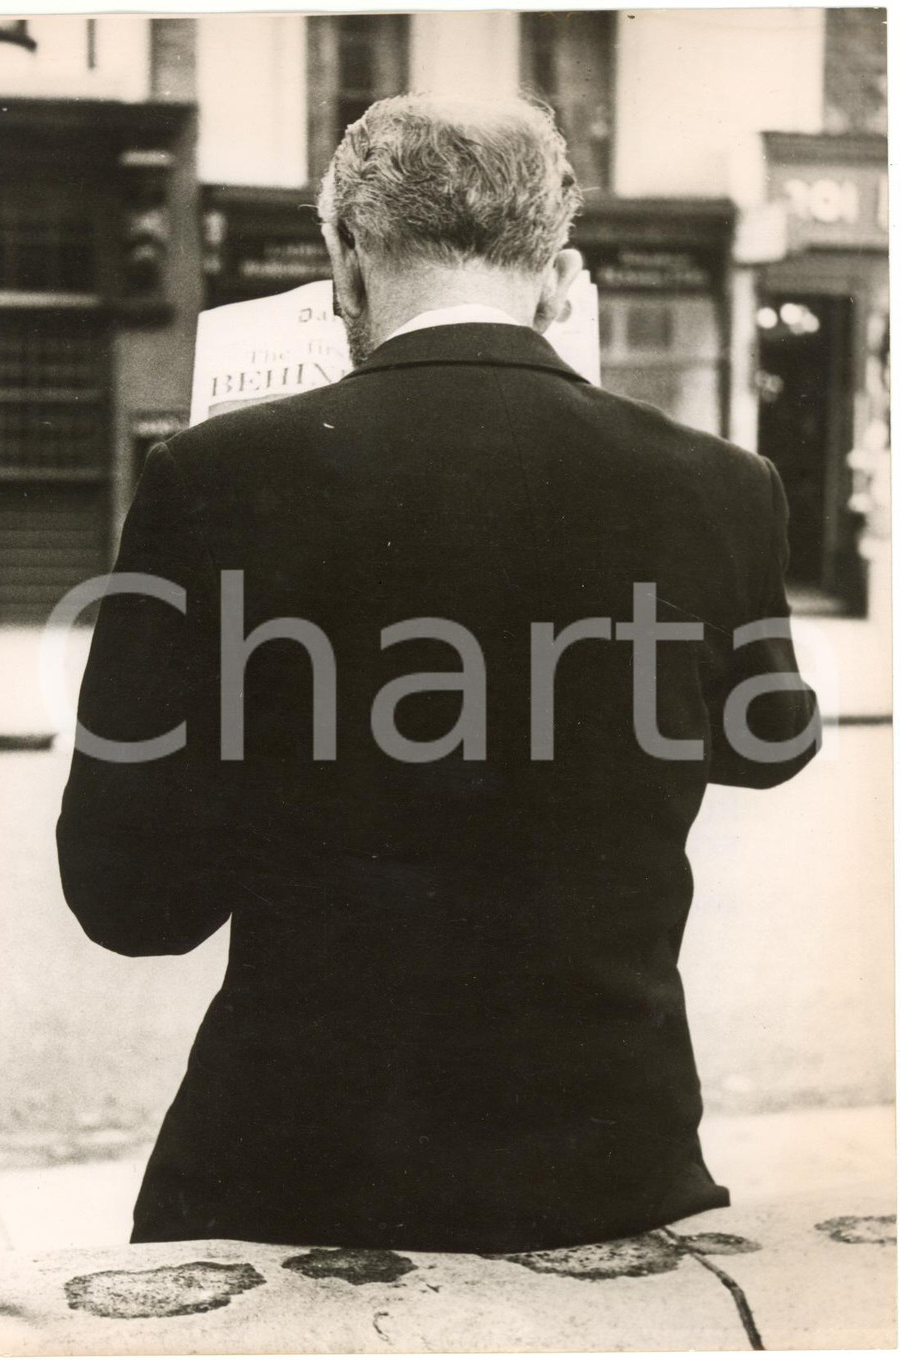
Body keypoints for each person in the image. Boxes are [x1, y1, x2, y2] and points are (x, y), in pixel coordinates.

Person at [57, 94, 820, 1253]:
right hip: (603, 1162)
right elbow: (767, 746)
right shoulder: (718, 484)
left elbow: (131, 904)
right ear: (559, 278)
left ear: (344, 264)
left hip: (294, 1173)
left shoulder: (212, 477)